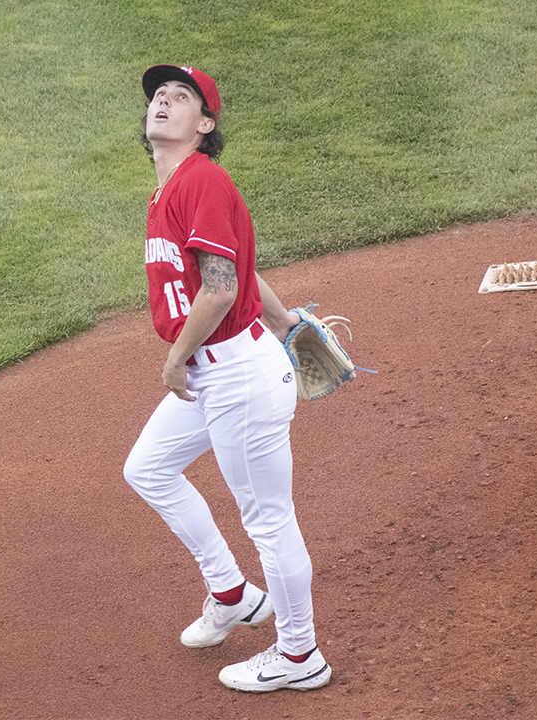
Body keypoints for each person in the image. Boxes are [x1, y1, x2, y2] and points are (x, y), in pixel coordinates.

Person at [123, 64, 332, 693]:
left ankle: (299, 656)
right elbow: (239, 270)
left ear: (204, 125)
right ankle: (233, 592)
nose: (163, 100)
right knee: (148, 469)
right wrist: (289, 320)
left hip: (234, 375)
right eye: (158, 94)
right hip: (217, 372)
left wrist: (173, 358)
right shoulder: (173, 187)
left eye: (180, 97)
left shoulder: (202, 180)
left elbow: (218, 291)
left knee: (269, 520)